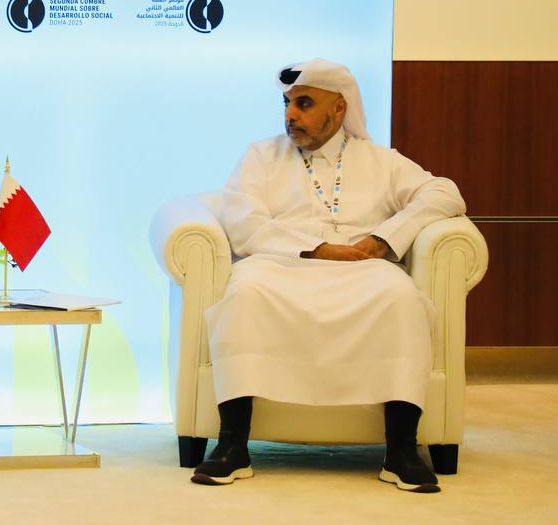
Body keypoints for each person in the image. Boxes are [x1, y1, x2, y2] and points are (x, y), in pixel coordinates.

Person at [192, 58, 465, 493]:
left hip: (362, 269)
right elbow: (243, 221)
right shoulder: (261, 156)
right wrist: (318, 249)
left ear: (339, 109)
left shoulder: (380, 161)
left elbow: (444, 192)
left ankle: (401, 452)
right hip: (280, 263)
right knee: (244, 292)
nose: (290, 115)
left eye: (303, 103)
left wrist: (382, 239)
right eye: (286, 104)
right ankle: (232, 446)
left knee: (401, 297)